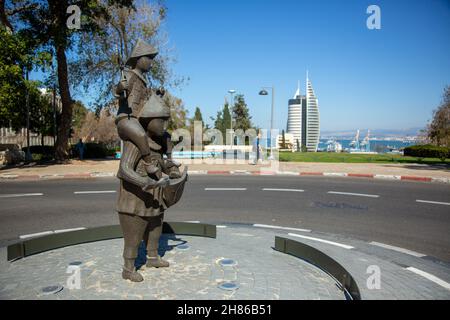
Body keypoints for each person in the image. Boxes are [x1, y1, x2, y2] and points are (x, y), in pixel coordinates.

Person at [116, 94, 187, 283]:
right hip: (135, 198)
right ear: (149, 121)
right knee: (135, 233)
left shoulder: (158, 143)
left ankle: (153, 257)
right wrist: (143, 181)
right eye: (161, 122)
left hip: (154, 194)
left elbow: (160, 163)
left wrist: (172, 171)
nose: (165, 127)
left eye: (166, 122)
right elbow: (124, 169)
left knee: (156, 225)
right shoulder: (136, 143)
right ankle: (128, 268)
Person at [114, 39, 181, 179]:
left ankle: (169, 161)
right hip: (126, 119)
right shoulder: (129, 75)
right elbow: (118, 92)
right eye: (149, 58)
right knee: (141, 135)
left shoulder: (143, 80)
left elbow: (145, 102)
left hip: (138, 119)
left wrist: (157, 95)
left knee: (164, 134)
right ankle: (148, 163)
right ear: (139, 59)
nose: (151, 62)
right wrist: (120, 89)